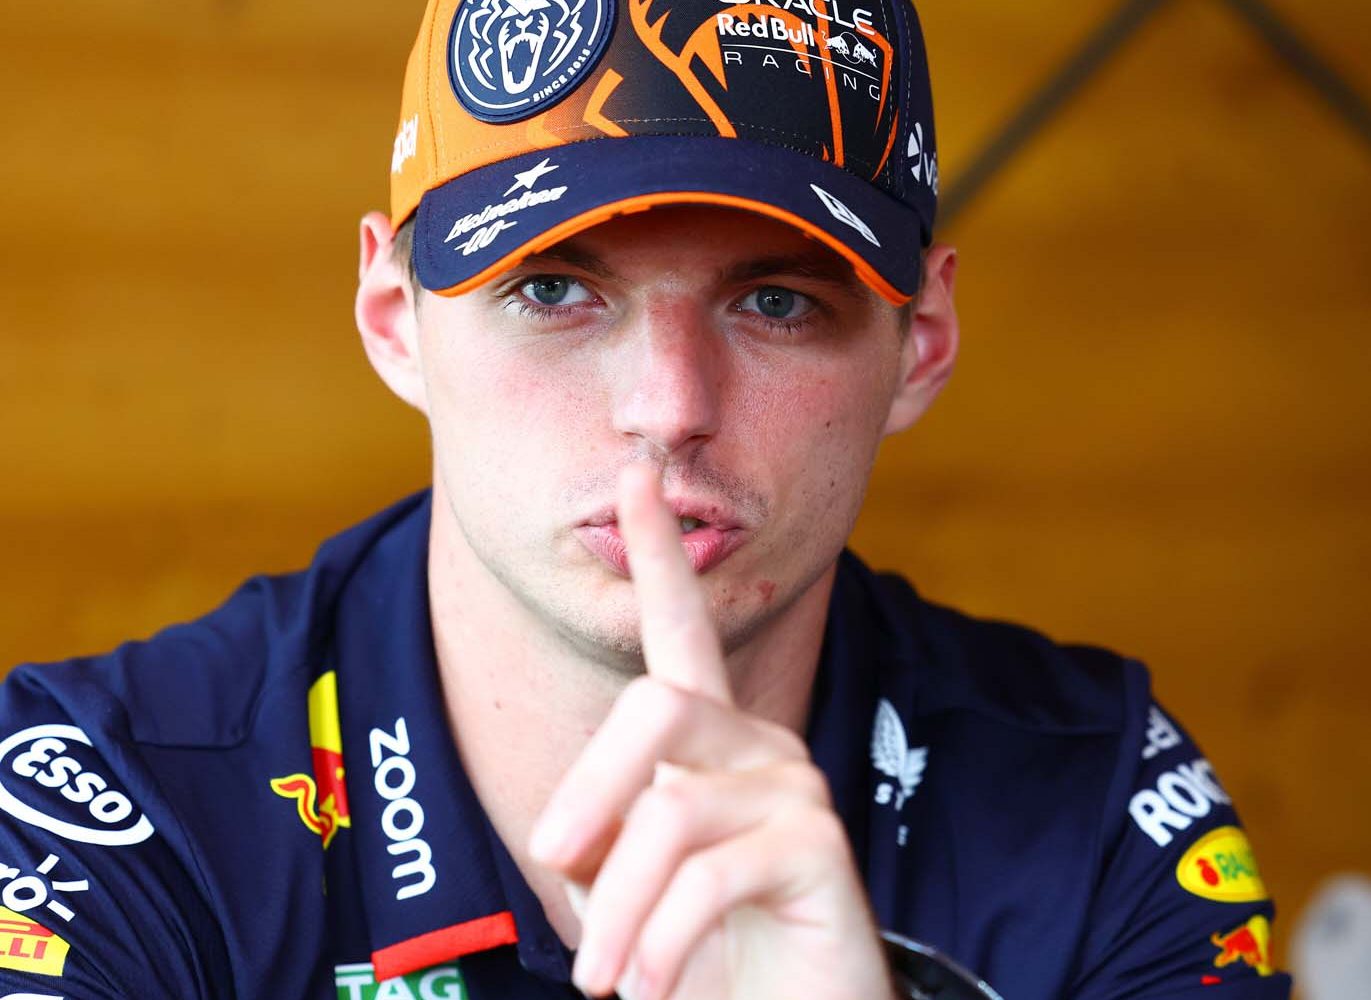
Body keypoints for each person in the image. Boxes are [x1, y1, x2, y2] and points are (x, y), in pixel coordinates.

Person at [0, 0, 1289, 997]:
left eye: (777, 300)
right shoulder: (110, 816)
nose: (670, 404)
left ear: (925, 340)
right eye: (556, 290)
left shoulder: (1100, 805)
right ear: (395, 320)